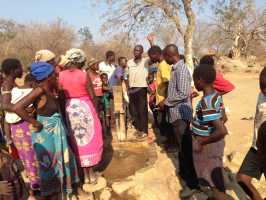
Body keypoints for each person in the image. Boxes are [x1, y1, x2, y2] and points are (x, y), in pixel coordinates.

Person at [13, 62, 79, 199]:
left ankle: (62, 190)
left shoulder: (49, 89)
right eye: (54, 74)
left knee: (63, 159)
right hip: (46, 133)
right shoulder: (39, 91)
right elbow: (17, 108)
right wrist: (35, 122)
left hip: (55, 131)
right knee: (49, 164)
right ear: (48, 76)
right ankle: (50, 194)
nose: (56, 76)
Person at [58, 49, 104, 194]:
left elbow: (60, 97)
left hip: (70, 109)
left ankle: (84, 175)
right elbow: (92, 95)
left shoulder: (60, 75)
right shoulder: (83, 75)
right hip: (86, 108)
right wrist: (96, 112)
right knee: (90, 139)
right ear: (80, 61)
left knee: (77, 141)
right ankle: (92, 175)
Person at [160, 44, 198, 189]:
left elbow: (183, 93)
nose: (164, 60)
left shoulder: (181, 70)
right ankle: (184, 173)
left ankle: (192, 182)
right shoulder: (175, 68)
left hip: (181, 113)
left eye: (165, 57)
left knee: (185, 147)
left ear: (171, 56)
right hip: (177, 113)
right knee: (182, 146)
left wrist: (166, 101)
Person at [192, 63, 228, 199]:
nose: (194, 83)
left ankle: (219, 195)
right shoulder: (216, 95)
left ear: (200, 80)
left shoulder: (207, 102)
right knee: (215, 174)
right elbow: (224, 117)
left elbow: (222, 130)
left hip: (207, 145)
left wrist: (202, 140)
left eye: (194, 80)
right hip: (213, 143)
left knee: (213, 180)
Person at [4, 74, 40, 199]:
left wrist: (8, 138)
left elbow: (6, 121)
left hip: (15, 132)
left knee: (26, 160)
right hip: (25, 128)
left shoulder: (7, 96)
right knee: (32, 158)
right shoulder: (23, 95)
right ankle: (34, 188)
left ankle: (32, 188)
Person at [237, 67, 266, 200]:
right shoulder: (261, 95)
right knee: (242, 178)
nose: (263, 90)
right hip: (256, 147)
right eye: (261, 85)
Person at [147, 43, 177, 152]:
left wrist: (165, 100)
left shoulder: (163, 65)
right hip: (163, 99)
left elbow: (168, 83)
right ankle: (169, 141)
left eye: (151, 56)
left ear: (155, 54)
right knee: (166, 122)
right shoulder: (161, 64)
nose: (150, 59)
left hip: (166, 100)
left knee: (169, 123)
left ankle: (173, 145)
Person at [127, 45, 149, 139]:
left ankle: (144, 131)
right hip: (132, 89)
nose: (136, 52)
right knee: (134, 111)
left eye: (138, 50)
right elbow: (127, 76)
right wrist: (128, 88)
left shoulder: (146, 61)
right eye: (135, 50)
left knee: (142, 110)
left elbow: (154, 54)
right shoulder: (129, 62)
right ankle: (139, 129)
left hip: (142, 88)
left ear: (142, 52)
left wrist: (151, 42)